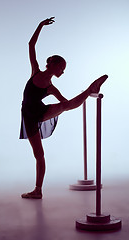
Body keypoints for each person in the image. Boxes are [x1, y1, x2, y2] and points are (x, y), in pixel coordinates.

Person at [20, 17, 108, 199]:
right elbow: (31, 45)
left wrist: (78, 99)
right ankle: (37, 191)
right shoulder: (35, 71)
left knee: (65, 106)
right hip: (28, 116)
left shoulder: (51, 87)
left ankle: (91, 88)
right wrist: (40, 25)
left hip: (40, 112)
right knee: (39, 155)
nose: (63, 71)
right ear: (52, 64)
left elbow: (66, 103)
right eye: (62, 67)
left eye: (64, 69)